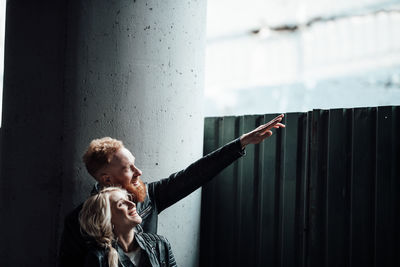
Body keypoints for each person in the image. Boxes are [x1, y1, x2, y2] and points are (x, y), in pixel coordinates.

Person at [58, 114, 285, 266]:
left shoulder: (148, 200)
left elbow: (193, 175)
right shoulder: (78, 222)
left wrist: (241, 143)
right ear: (107, 179)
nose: (139, 172)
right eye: (128, 168)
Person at [79, 187, 176, 267]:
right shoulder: (98, 258)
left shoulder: (160, 244)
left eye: (128, 199)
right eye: (121, 204)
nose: (132, 204)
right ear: (106, 219)